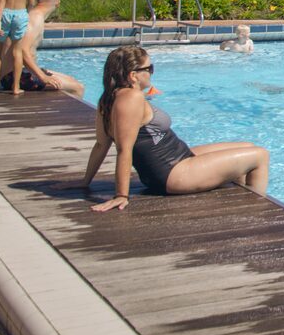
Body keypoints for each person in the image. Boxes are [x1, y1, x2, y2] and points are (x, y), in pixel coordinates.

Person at [84, 46, 270, 212]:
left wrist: (85, 182)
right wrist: (121, 195)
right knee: (260, 155)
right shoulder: (132, 98)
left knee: (247, 146)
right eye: (149, 69)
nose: (151, 73)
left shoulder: (108, 98)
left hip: (176, 160)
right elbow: (124, 149)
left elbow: (101, 144)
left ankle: (238, 205)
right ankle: (255, 213)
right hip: (173, 173)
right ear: (133, 75)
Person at [0, 0, 84, 95]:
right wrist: (43, 77)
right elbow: (22, 50)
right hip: (13, 77)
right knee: (77, 88)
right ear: (58, 3)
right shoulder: (35, 18)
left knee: (71, 80)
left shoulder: (33, 14)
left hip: (19, 73)